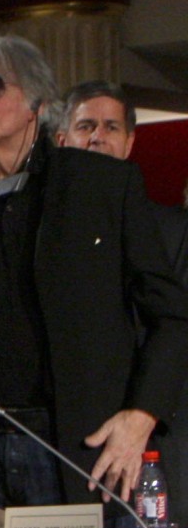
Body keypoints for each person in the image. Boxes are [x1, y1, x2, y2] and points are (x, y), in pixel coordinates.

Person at [0, 36, 188, 511]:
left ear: (35, 102)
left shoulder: (103, 184)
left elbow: (171, 318)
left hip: (78, 446)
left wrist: (141, 415)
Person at [55, 80, 188, 483]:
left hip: (153, 432)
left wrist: (143, 413)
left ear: (130, 143)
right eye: (86, 126)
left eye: (111, 127)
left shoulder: (174, 231)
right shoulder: (40, 232)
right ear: (61, 141)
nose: (98, 136)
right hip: (67, 434)